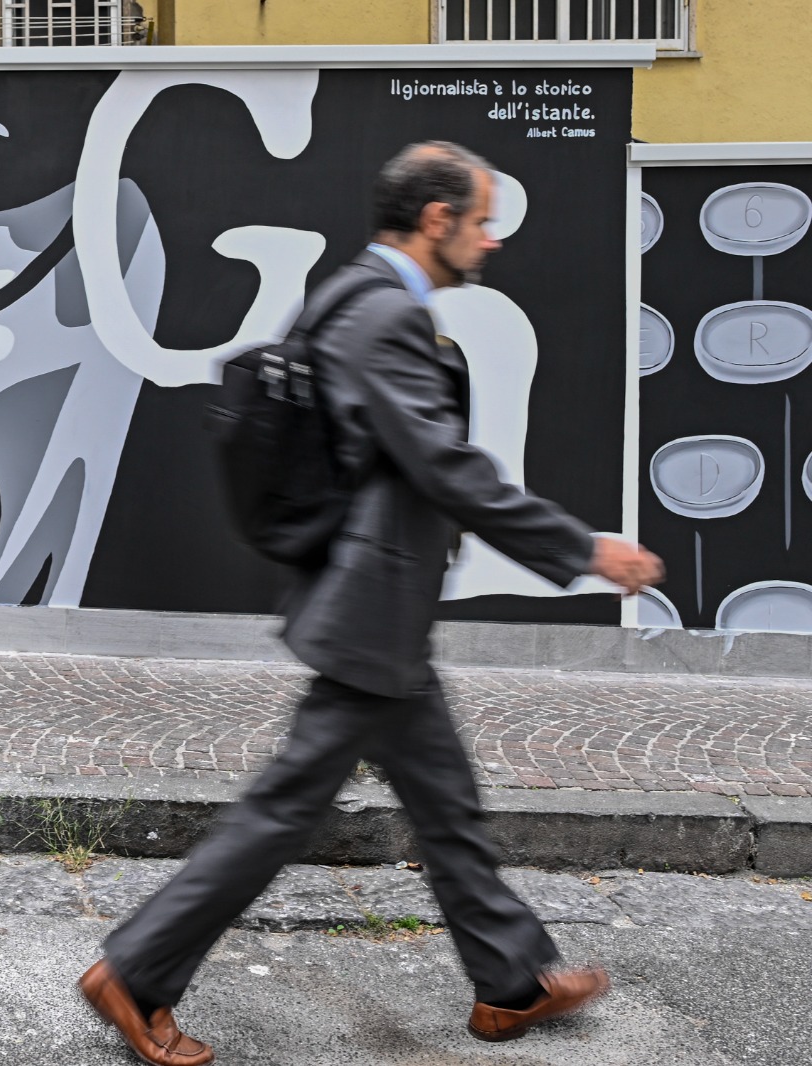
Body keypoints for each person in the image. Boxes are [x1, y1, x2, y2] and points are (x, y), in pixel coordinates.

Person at [78, 141, 666, 1065]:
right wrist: (581, 548)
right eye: (482, 220)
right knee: (282, 812)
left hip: (375, 600)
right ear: (438, 220)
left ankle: (512, 983)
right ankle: (137, 972)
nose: (491, 240)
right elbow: (442, 463)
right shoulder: (385, 314)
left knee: (445, 804)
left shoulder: (352, 295)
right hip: (369, 607)